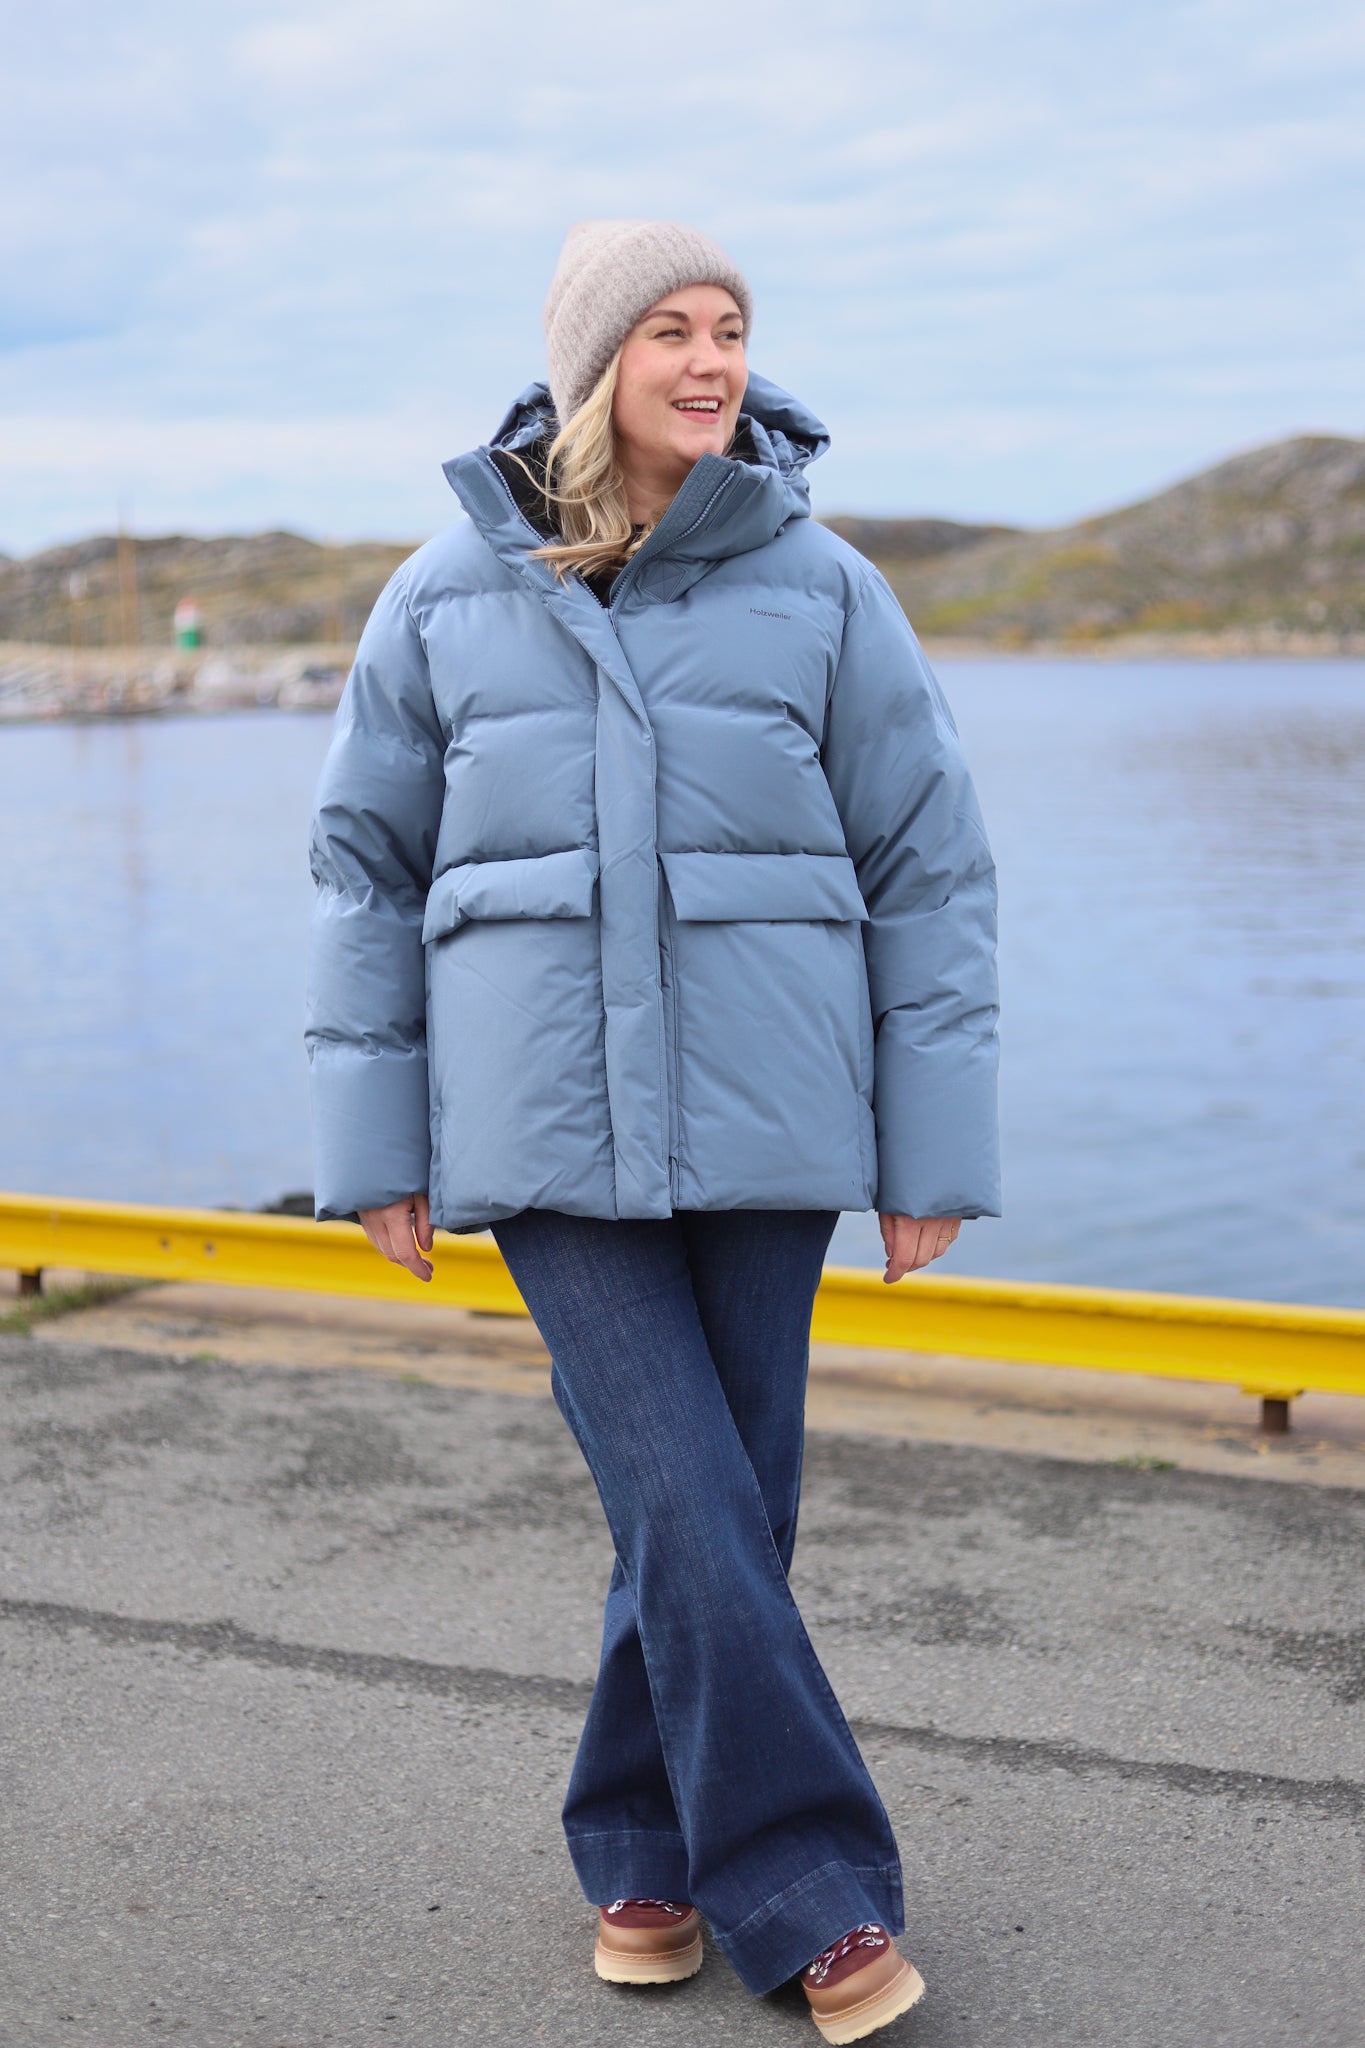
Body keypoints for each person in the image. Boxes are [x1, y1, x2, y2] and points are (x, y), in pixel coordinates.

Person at [306, 218, 1000, 2042]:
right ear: (588, 364)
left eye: (731, 327)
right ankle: (808, 1883)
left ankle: (638, 1844)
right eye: (669, 331)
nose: (711, 362)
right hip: (539, 1124)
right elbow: (364, 874)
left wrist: (927, 1150)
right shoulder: (443, 592)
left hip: (774, 1115)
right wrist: (379, 1143)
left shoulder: (824, 586)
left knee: (725, 1509)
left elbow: (929, 867)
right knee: (687, 1496)